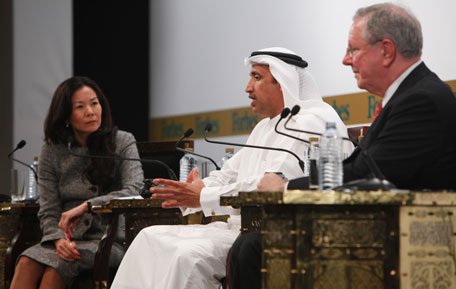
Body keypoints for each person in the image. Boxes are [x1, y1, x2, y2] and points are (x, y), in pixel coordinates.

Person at [230, 3, 456, 289]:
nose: (345, 60)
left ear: (386, 50)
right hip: (385, 226)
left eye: (353, 50)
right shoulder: (411, 95)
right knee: (250, 244)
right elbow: (358, 166)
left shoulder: (421, 100)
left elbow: (372, 175)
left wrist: (286, 187)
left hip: (411, 239)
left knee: (254, 247)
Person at [110, 47, 352, 289]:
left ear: (282, 82)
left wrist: (202, 196)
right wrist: (198, 187)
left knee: (185, 255)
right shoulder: (266, 127)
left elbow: (268, 185)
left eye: (257, 77)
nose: (248, 88)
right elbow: (229, 174)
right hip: (237, 226)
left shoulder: (311, 122)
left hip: (269, 231)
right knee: (148, 237)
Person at [10, 76, 144, 289]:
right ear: (65, 116)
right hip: (64, 240)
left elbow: (133, 189)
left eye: (94, 103)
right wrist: (58, 240)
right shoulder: (52, 149)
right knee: (27, 261)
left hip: (107, 239)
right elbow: (48, 208)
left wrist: (89, 205)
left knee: (57, 268)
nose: (90, 111)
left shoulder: (123, 141)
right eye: (80, 107)